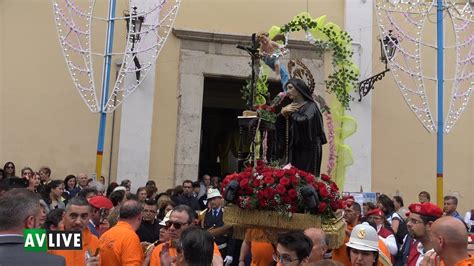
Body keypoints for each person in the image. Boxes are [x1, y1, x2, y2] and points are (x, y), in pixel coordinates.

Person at [275, 78, 327, 177]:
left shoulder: (311, 106)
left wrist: (291, 114)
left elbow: (306, 121)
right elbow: (280, 123)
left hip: (309, 150)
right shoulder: (290, 106)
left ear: (299, 89)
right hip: (295, 148)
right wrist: (282, 114)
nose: (287, 91)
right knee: (293, 176)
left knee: (305, 177)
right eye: (287, 88)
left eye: (290, 88)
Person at [0, 188, 65, 265]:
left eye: (44, 212)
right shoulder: (53, 262)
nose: (44, 215)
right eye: (39, 216)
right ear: (30, 222)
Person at [150, 205, 223, 265]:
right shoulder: (159, 250)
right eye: (169, 224)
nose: (171, 228)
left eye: (177, 225)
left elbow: (217, 263)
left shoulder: (203, 243)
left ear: (191, 225)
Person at [48, 197, 100, 266]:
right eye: (73, 216)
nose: (78, 221)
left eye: (84, 216)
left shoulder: (94, 241)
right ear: (64, 216)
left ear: (89, 218)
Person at [99, 200, 151, 266]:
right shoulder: (130, 237)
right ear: (139, 217)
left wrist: (138, 248)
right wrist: (147, 259)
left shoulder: (106, 234)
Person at [201, 188, 235, 264]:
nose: (212, 201)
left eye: (214, 198)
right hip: (208, 250)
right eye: (210, 199)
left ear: (220, 198)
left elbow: (231, 235)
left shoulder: (227, 214)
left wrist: (230, 253)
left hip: (222, 249)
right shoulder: (204, 214)